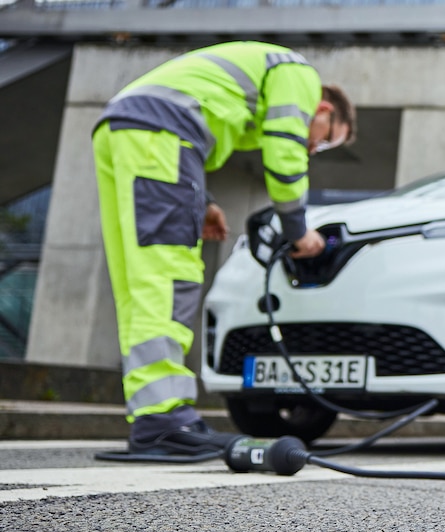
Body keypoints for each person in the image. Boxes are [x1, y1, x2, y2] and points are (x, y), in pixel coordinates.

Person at [92, 41, 356, 457]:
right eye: (324, 141)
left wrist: (206, 200)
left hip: (123, 129)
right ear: (323, 109)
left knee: (138, 278)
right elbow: (285, 150)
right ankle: (164, 418)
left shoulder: (255, 79)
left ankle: (151, 420)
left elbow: (179, 139)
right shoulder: (299, 74)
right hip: (164, 132)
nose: (313, 149)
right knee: (168, 275)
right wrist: (298, 229)